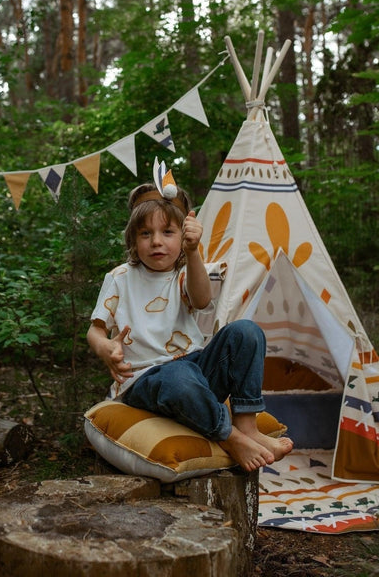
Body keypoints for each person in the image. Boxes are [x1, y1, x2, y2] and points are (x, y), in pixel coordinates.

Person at [86, 180, 293, 472]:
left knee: (247, 332)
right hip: (145, 379)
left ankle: (246, 425)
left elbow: (201, 299)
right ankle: (229, 436)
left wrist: (194, 252)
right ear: (133, 240)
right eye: (146, 234)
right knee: (178, 376)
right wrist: (105, 346)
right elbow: (94, 330)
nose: (156, 241)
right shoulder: (120, 277)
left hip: (195, 369)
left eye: (167, 232)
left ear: (182, 236)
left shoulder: (184, 273)